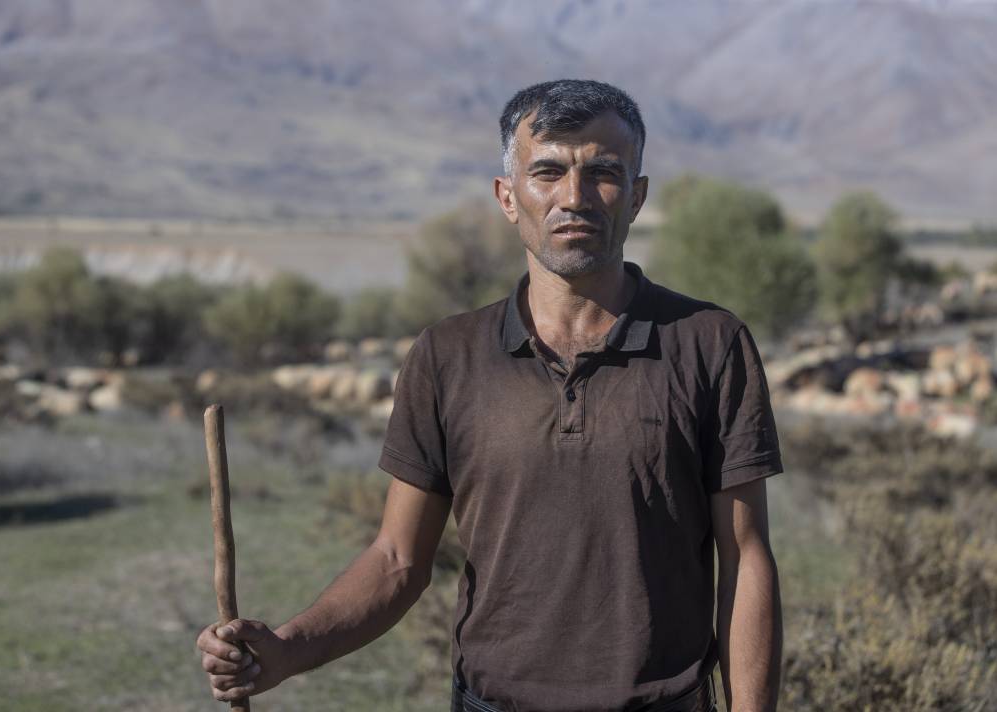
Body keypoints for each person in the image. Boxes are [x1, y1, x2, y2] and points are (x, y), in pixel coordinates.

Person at [197, 79, 783, 712]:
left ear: (637, 197)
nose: (575, 198)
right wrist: (284, 650)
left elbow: (745, 557)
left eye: (604, 173)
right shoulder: (446, 356)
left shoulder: (709, 343)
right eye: (548, 172)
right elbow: (397, 560)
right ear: (508, 197)